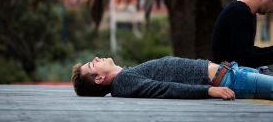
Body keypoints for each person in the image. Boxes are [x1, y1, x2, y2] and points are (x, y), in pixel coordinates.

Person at [71, 56, 273, 100]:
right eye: (92, 64)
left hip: (231, 72)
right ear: (98, 79)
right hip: (230, 81)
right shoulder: (123, 83)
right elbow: (164, 88)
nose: (96, 59)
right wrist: (208, 90)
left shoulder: (125, 76)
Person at [212, 0, 273, 73]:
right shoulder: (239, 12)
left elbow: (246, 52)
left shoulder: (246, 11)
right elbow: (244, 60)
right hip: (231, 76)